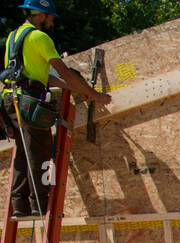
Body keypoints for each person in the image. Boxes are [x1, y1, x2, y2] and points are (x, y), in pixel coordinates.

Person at [2, 0, 111, 217]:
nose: (51, 22)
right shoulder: (40, 37)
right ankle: (39, 205)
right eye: (50, 17)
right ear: (41, 15)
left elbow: (39, 75)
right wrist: (95, 95)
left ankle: (20, 206)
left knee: (24, 153)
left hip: (11, 101)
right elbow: (65, 71)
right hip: (30, 102)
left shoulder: (13, 37)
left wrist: (68, 85)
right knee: (41, 153)